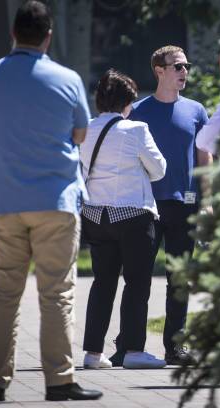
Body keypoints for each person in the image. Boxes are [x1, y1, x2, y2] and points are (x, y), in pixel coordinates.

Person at [0, 1, 101, 402]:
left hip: (3, 198)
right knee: (57, 293)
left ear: (13, 33)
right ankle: (60, 381)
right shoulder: (67, 79)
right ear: (48, 36)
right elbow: (81, 133)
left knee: (4, 294)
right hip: (54, 200)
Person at [113, 45, 211, 366]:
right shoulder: (138, 111)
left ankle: (176, 347)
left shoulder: (196, 110)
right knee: (138, 277)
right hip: (146, 207)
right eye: (178, 67)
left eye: (186, 67)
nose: (184, 72)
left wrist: (207, 201)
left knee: (179, 280)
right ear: (159, 71)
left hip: (186, 205)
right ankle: (129, 346)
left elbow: (204, 158)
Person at [80, 69, 167, 370]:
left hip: (95, 215)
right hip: (132, 215)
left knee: (102, 283)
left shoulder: (86, 129)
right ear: (127, 102)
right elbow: (159, 169)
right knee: (136, 283)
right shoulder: (136, 129)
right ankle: (132, 351)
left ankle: (92, 353)